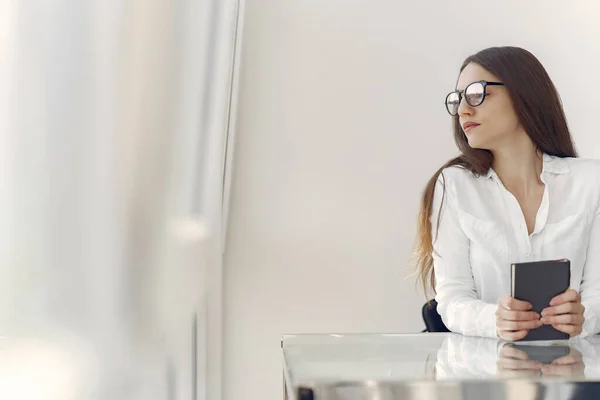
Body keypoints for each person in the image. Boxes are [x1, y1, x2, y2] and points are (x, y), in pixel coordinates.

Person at [413, 46, 600, 341]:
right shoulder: (455, 185)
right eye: (457, 99)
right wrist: (495, 320)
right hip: (489, 376)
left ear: (523, 92)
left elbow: (597, 292)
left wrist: (584, 315)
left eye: (476, 93)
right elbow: (452, 298)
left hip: (577, 374)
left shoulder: (591, 182)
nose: (463, 109)